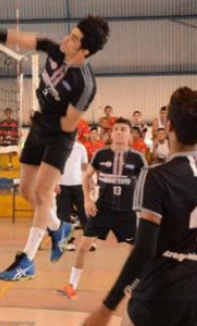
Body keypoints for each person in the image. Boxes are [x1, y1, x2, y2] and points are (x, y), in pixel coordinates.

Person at [78, 87, 197, 326]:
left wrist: (107, 307)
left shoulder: (155, 176)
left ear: (169, 125)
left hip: (160, 291)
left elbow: (143, 251)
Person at [0, 15, 110, 282]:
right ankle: (59, 227)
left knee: (42, 193)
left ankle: (27, 261)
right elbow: (16, 38)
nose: (66, 39)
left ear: (85, 51)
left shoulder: (85, 85)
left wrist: (38, 119)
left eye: (74, 39)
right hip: (40, 127)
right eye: (70, 33)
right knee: (27, 192)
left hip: (60, 136)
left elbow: (68, 124)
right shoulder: (54, 48)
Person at [59, 118, 146, 299]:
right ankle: (72, 286)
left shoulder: (137, 158)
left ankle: (138, 287)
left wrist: (142, 208)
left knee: (135, 251)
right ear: (110, 134)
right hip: (103, 209)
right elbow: (86, 177)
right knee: (83, 246)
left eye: (124, 130)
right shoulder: (101, 154)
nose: (120, 132)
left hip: (127, 211)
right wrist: (87, 200)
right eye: (116, 130)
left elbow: (147, 184)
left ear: (130, 135)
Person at [55, 140, 90, 241]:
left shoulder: (81, 147)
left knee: (84, 213)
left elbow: (85, 166)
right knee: (64, 215)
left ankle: (88, 240)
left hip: (79, 185)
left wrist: (90, 179)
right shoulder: (57, 147)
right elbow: (54, 167)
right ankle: (67, 241)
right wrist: (54, 183)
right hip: (62, 186)